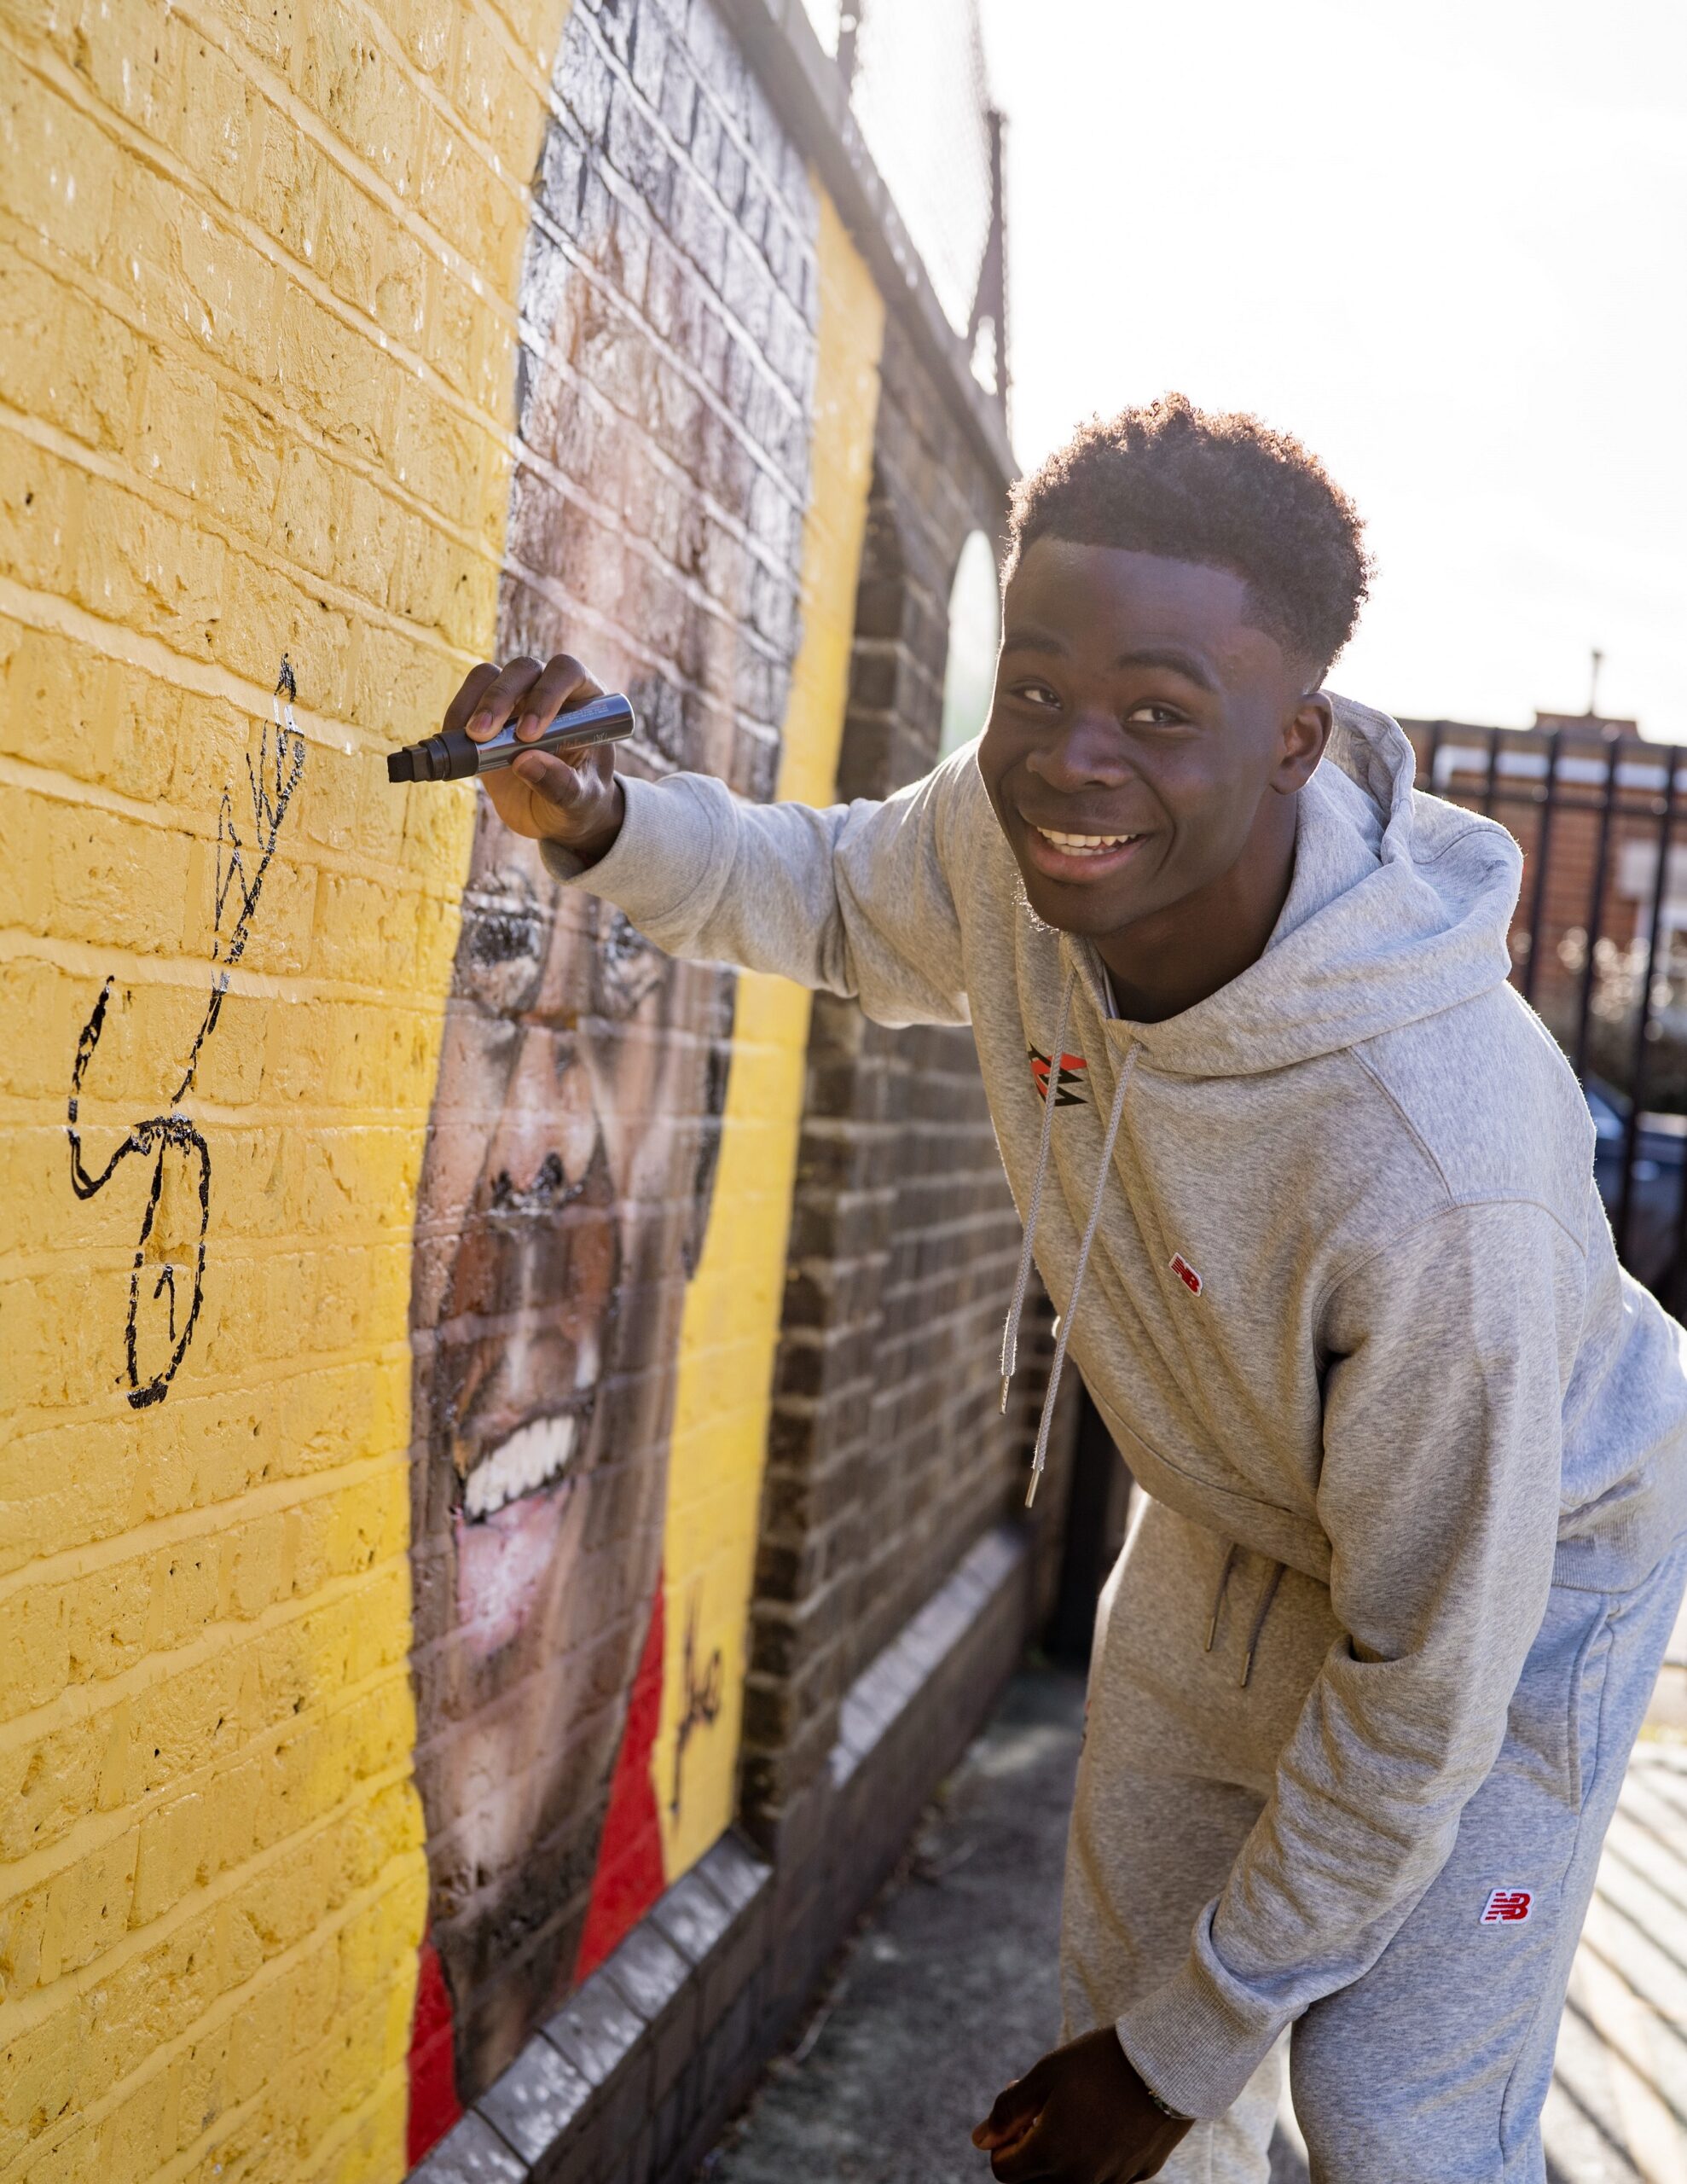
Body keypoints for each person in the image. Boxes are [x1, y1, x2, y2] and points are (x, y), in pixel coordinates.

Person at [428, 394, 1687, 2181]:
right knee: (1130, 2005)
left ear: (1290, 740)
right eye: (1035, 688)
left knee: (1388, 2121)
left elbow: (1418, 1688)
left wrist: (1167, 2061)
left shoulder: (1432, 1169)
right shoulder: (1018, 856)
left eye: (1159, 713)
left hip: (1516, 1564)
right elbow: (833, 892)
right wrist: (602, 814)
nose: (1069, 757)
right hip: (1237, 1500)